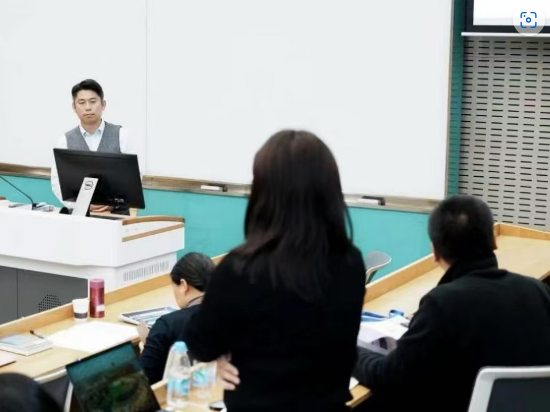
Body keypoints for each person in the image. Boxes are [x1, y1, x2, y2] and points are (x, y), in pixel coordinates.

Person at [182, 130, 366, 412]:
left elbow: (201, 343)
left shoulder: (241, 269)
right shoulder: (350, 262)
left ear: (263, 192)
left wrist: (220, 356)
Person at [351, 195, 550, 412]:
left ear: (435, 252)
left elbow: (389, 377)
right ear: (494, 241)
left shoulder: (442, 304)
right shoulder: (539, 291)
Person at [50, 79, 140, 213]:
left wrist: (114, 203)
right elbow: (57, 181)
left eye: (93, 101)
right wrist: (79, 203)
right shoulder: (64, 140)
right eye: (82, 102)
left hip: (117, 214)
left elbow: (135, 177)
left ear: (103, 105)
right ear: (74, 107)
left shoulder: (122, 135)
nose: (88, 107)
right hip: (80, 214)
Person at [140, 252, 215, 384]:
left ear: (183, 285)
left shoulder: (167, 325)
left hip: (182, 392)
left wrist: (145, 351)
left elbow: (146, 380)